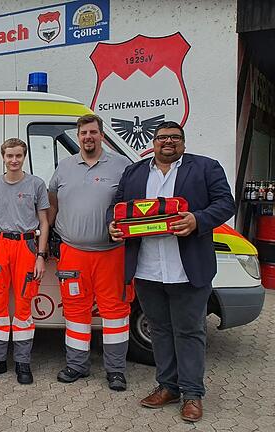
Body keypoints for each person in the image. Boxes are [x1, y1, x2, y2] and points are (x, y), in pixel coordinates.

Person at [109, 121, 234, 422]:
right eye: (162, 137)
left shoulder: (206, 168)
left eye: (174, 138)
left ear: (183, 143)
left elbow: (226, 204)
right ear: (153, 142)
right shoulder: (134, 172)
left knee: (190, 331)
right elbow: (117, 206)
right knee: (160, 331)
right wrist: (113, 226)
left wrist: (197, 220)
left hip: (187, 269)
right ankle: (167, 387)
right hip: (147, 269)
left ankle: (192, 394)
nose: (168, 142)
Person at [47, 114, 132, 391]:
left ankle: (116, 371)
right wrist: (46, 242)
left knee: (116, 312)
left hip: (111, 253)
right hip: (72, 253)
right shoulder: (64, 167)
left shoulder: (122, 166)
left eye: (93, 132)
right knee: (75, 310)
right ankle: (76, 365)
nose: (88, 137)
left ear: (102, 135)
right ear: (78, 135)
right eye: (83, 133)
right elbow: (52, 206)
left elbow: (131, 207)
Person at [0, 138, 50, 384]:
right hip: (0, 244)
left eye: (18, 155)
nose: (14, 160)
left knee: (23, 306)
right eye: (9, 156)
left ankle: (22, 363)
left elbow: (44, 222)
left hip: (27, 246)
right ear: (3, 157)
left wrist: (41, 256)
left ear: (24, 156)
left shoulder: (36, 184)